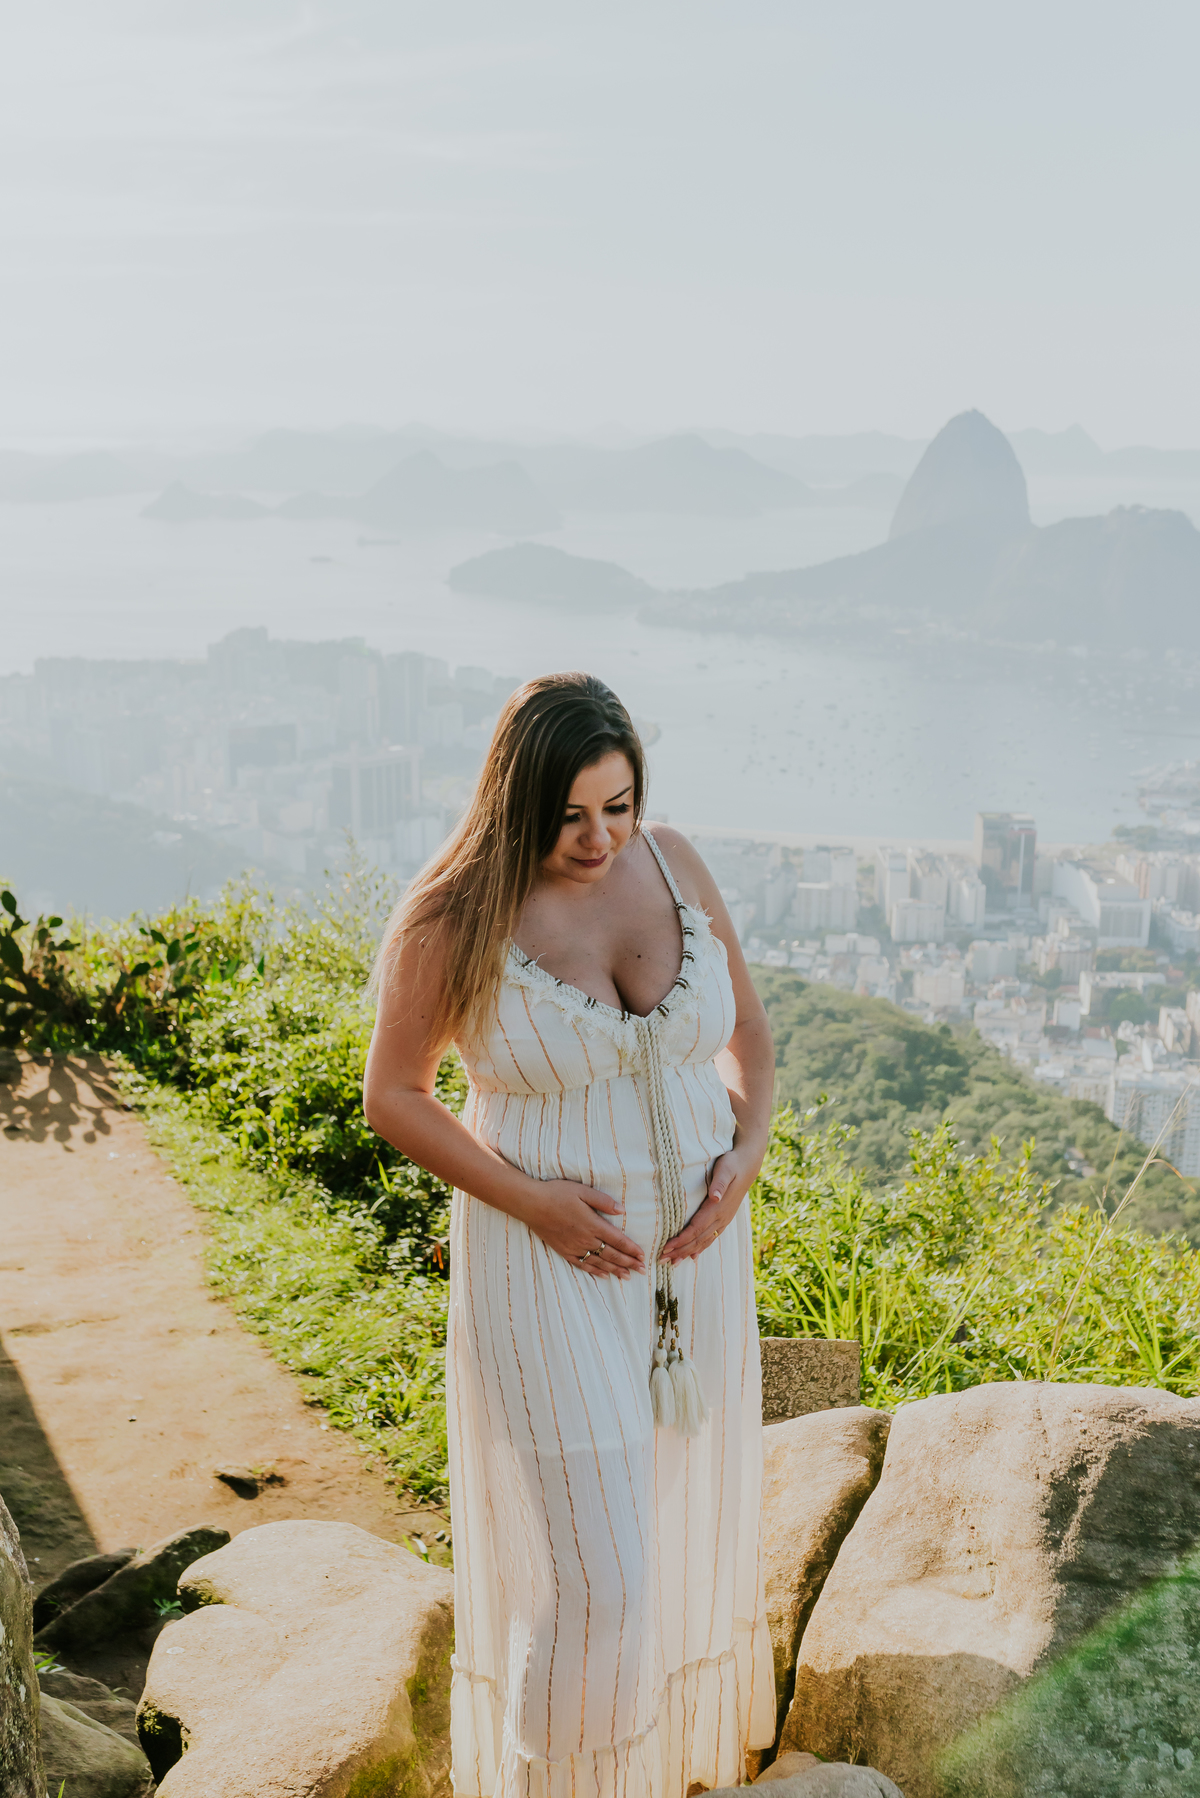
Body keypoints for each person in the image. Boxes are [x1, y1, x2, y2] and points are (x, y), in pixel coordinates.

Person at [364, 671, 776, 1798]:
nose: (600, 839)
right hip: (544, 1266)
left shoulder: (674, 862)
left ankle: (653, 1772)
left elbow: (747, 1030)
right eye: (570, 816)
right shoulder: (453, 915)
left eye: (619, 806)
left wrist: (745, 1151)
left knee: (676, 1535)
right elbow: (394, 1094)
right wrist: (530, 1199)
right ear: (517, 801)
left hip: (695, 1267)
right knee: (598, 1583)